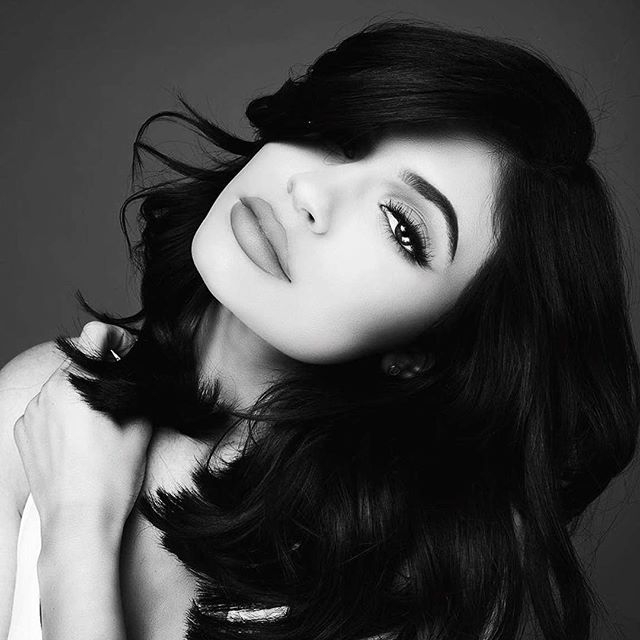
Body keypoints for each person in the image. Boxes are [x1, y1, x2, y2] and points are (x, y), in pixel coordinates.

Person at [2, 18, 639, 640]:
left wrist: (78, 525)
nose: (310, 191)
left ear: (428, 347)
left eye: (401, 226)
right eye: (341, 137)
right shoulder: (44, 404)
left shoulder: (419, 583)